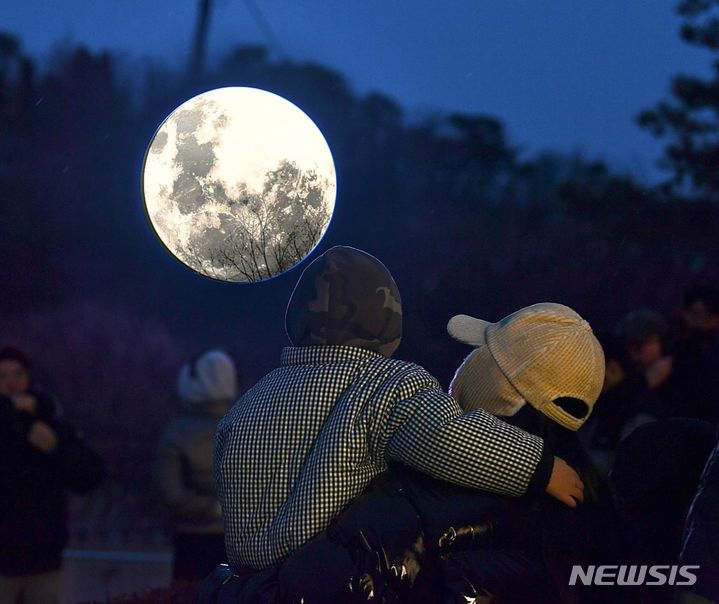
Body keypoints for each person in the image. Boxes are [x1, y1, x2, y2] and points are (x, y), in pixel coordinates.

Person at [202, 247, 584, 602]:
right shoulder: (387, 384)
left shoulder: (247, 404)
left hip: (249, 587)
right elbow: (447, 437)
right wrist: (540, 468)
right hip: (336, 583)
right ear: (387, 318)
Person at [0, 347, 105, 604]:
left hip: (43, 557)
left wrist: (55, 448)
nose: (12, 383)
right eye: (2, 377)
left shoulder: (50, 422)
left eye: (18, 374)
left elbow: (89, 474)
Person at [155, 349, 238, 582]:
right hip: (235, 539)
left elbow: (169, 492)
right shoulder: (246, 425)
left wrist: (208, 509)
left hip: (191, 538)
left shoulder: (176, 433)